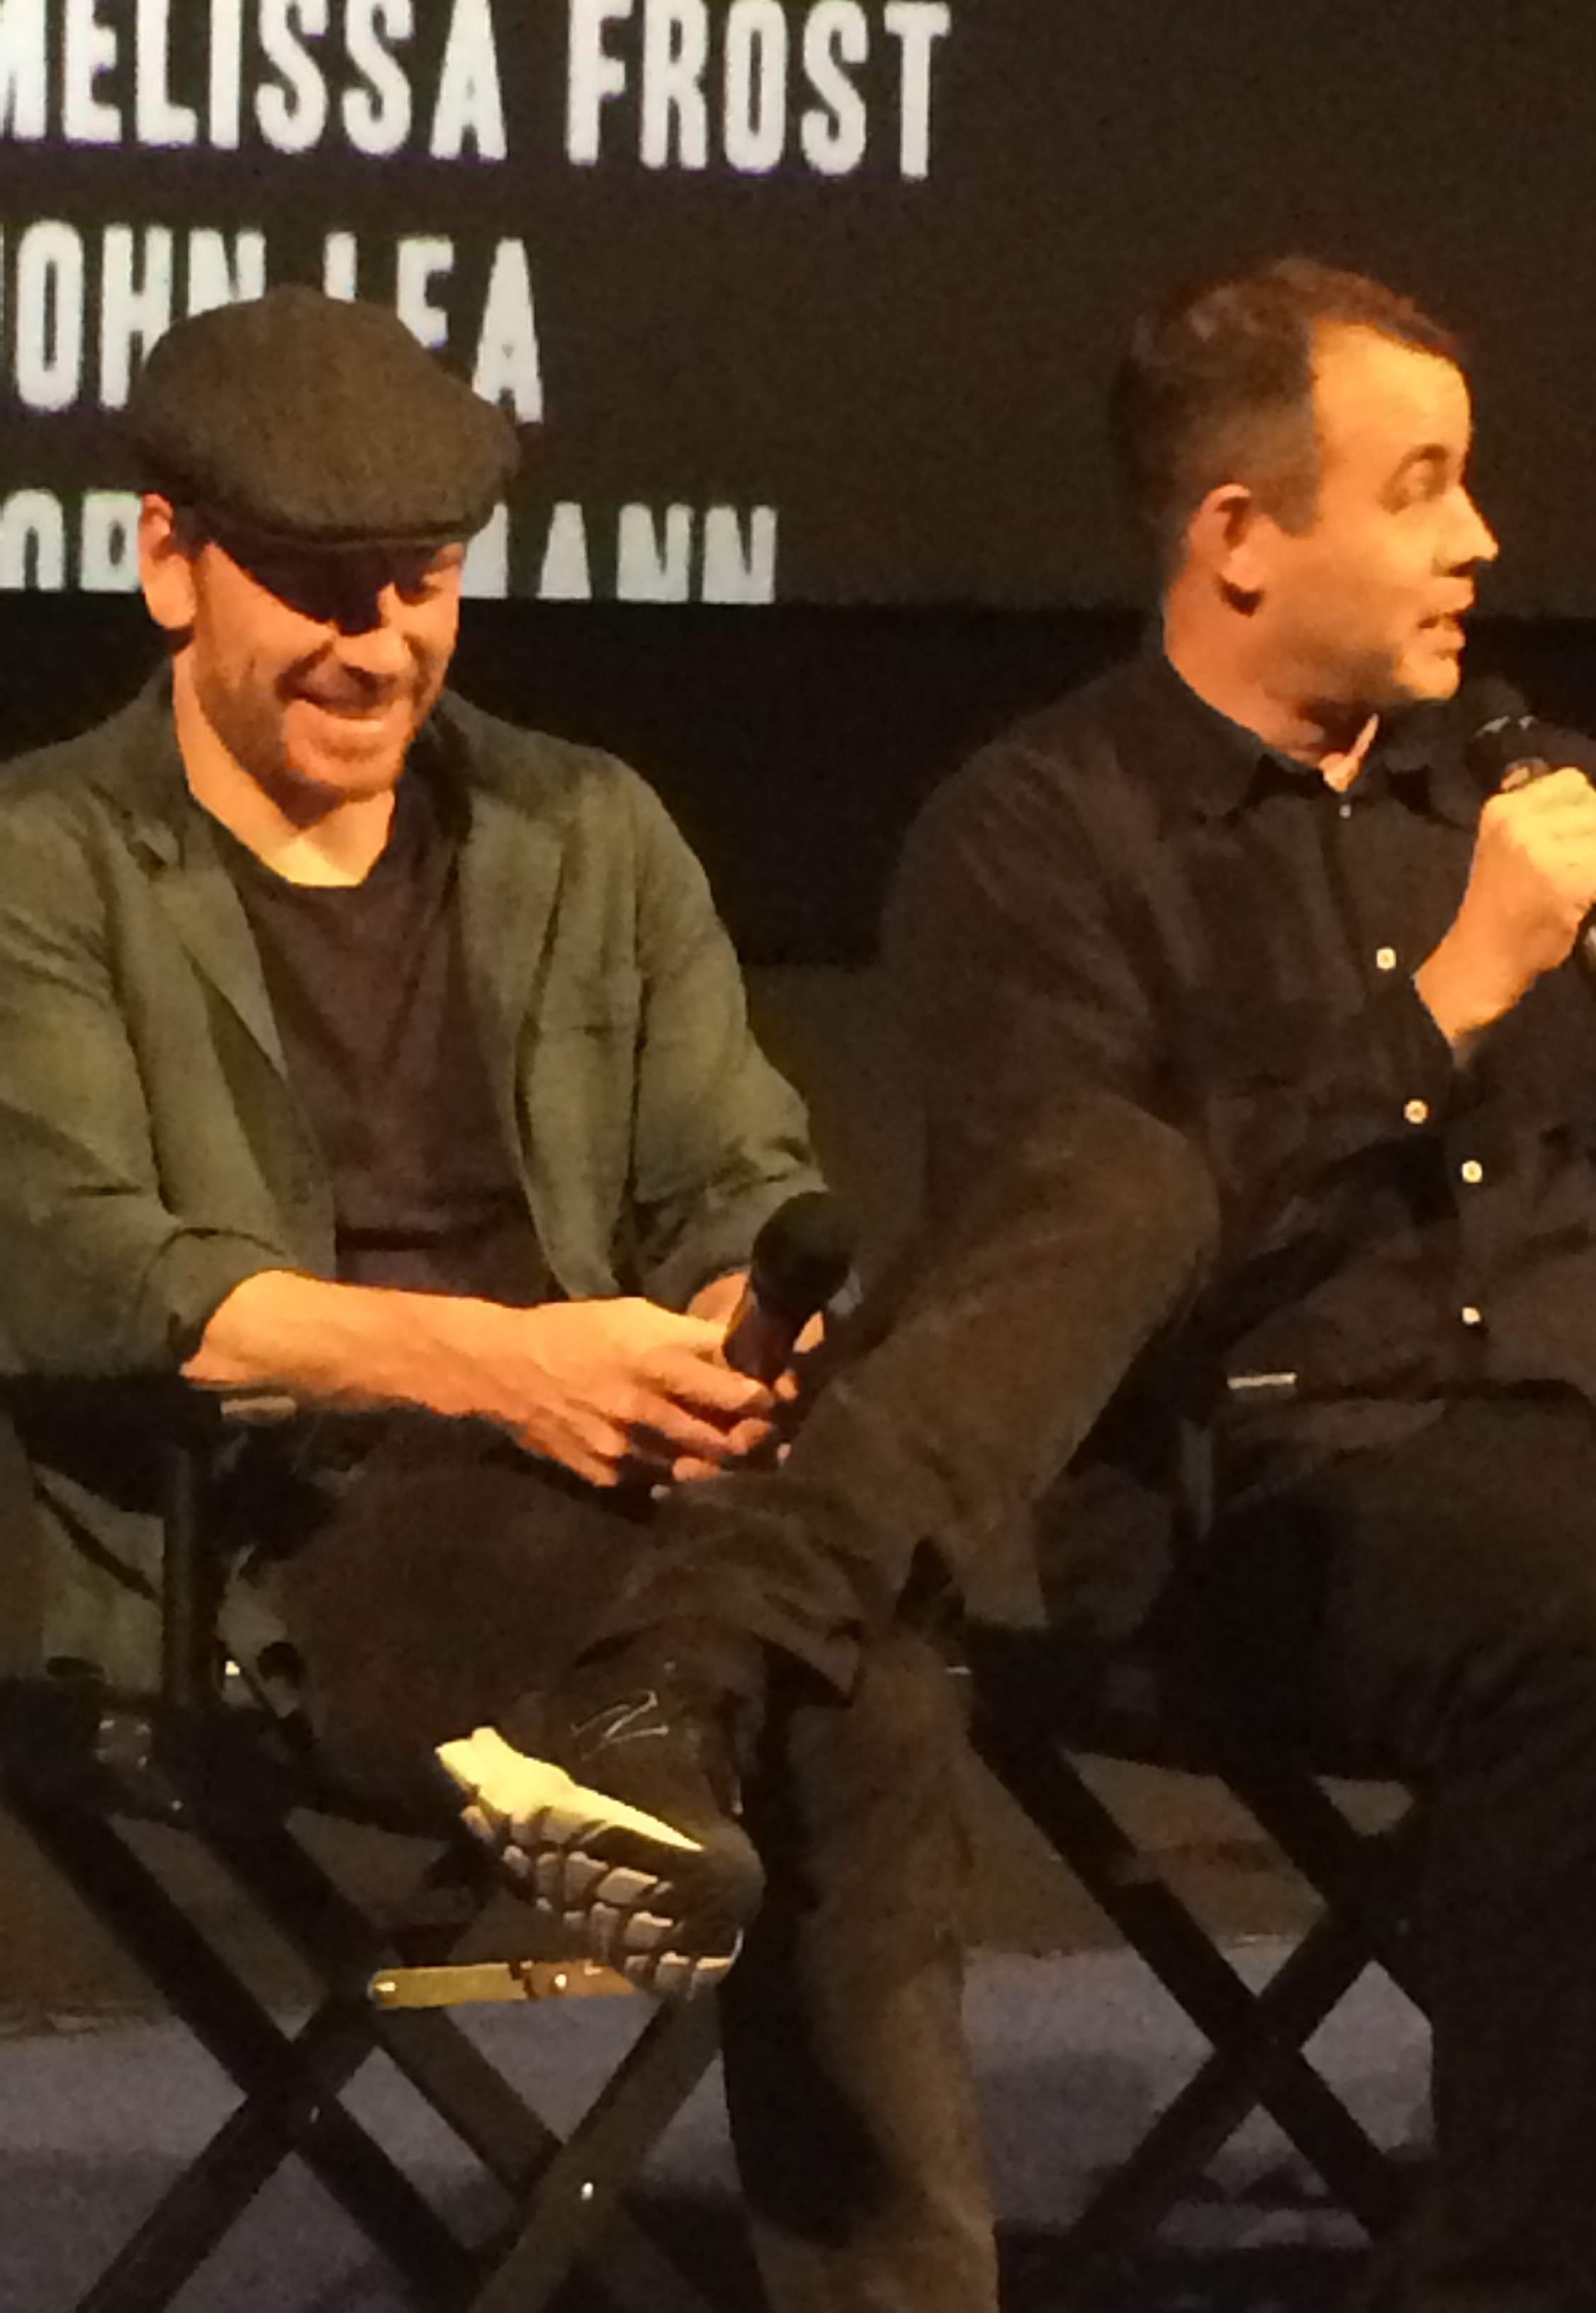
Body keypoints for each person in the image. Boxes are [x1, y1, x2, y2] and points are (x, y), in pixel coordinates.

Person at [0, 283, 1000, 2312]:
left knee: (1084, 1230)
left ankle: (652, 1740)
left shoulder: (585, 827)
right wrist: (503, 1368)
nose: (379, 642)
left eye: (423, 581)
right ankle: (659, 1753)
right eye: (318, 587)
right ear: (168, 563)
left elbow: (736, 1170)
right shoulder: (43, 860)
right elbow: (87, 1268)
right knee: (864, 1686)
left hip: (631, 1491)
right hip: (281, 1542)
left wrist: (729, 1319)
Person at [880, 257, 1596, 2312]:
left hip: (1591, 1437)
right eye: (1423, 487)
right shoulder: (1041, 837)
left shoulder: (1538, 794)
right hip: (1241, 1485)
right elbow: (1076, 1285)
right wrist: (1448, 1001)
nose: (1483, 539)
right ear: (1241, 538)